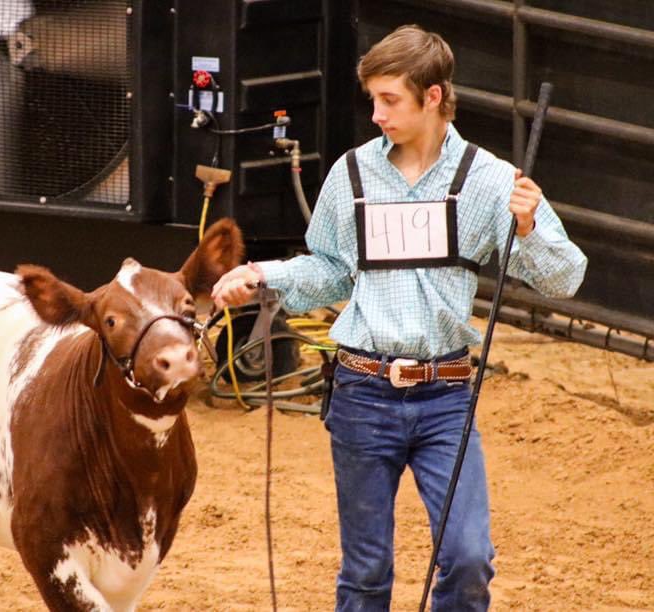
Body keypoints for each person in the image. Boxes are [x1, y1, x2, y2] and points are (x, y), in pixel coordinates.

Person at [211, 24, 587, 611]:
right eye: (374, 101)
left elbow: (565, 278)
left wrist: (528, 226)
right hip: (362, 391)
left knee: (467, 557)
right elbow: (332, 271)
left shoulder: (491, 182)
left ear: (432, 96)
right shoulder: (352, 175)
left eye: (390, 100)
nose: (378, 114)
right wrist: (265, 275)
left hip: (446, 397)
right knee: (366, 570)